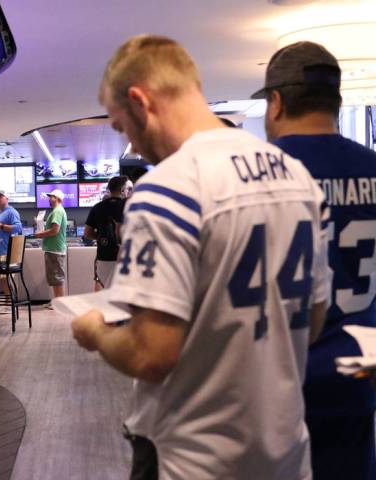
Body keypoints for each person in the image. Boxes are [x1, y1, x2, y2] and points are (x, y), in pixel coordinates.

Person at [70, 35, 330, 480]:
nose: (130, 144)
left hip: (191, 458)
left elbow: (151, 354)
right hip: (286, 452)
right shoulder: (297, 176)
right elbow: (313, 322)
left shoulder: (168, 186)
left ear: (140, 100)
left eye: (121, 127)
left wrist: (95, 332)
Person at [256, 41, 376, 480]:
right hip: (359, 379)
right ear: (338, 101)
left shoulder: (257, 175)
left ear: (277, 102)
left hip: (276, 385)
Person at [84, 175, 129, 290]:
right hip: (124, 257)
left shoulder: (97, 207)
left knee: (105, 288)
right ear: (123, 190)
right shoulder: (128, 206)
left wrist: (100, 237)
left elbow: (87, 232)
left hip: (104, 256)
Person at [33, 190, 67, 303]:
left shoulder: (57, 211)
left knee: (57, 279)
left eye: (51, 197)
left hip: (55, 249)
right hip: (54, 249)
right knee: (55, 278)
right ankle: (57, 301)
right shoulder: (58, 211)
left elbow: (54, 231)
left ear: (57, 198)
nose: (49, 199)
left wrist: (39, 234)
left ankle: (60, 303)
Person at [0, 190, 23, 293]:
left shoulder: (11, 212)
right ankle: (7, 305)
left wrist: (1, 226)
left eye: (0, 197)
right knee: (2, 280)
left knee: (6, 280)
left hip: (6, 251)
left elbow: (18, 228)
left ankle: (10, 305)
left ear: (7, 198)